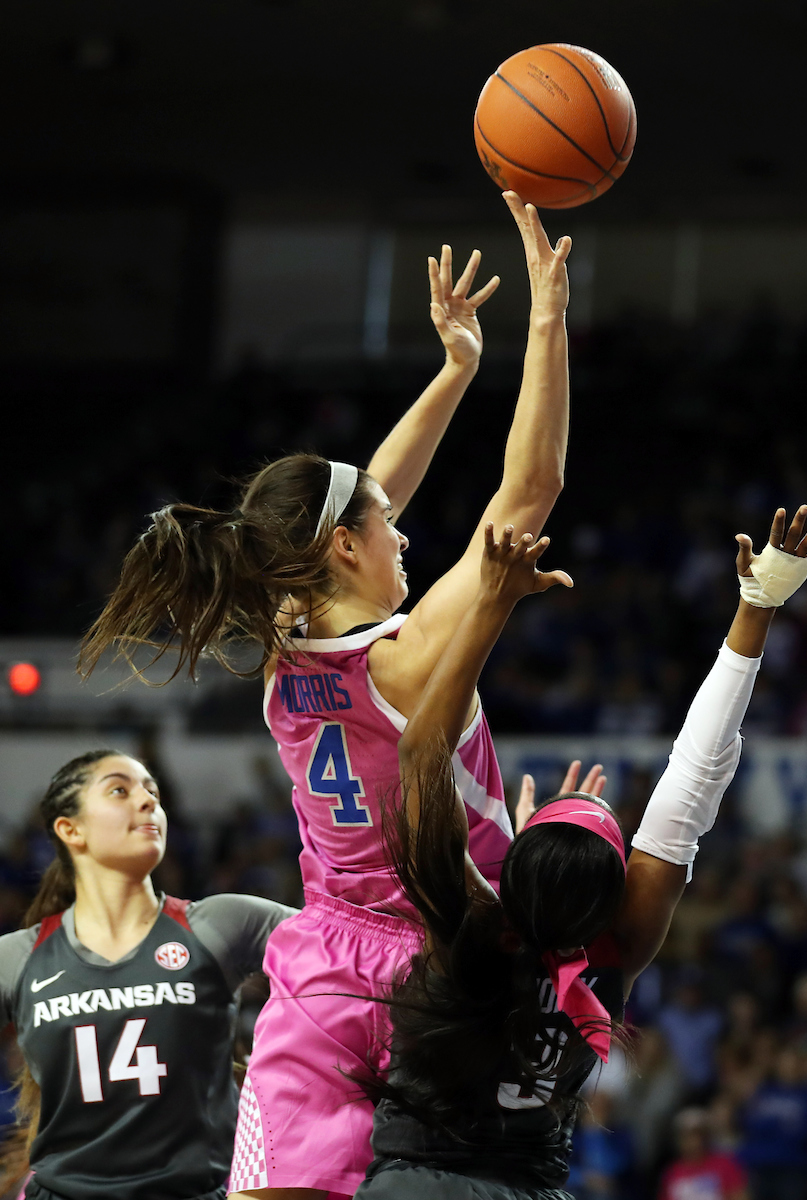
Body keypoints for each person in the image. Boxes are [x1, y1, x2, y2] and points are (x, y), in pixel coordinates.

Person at [78, 195, 573, 1199]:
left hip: (320, 972)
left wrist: (454, 374)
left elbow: (358, 502)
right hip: (441, 971)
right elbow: (526, 495)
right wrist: (547, 321)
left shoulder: (279, 640)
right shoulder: (408, 653)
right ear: (345, 547)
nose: (407, 535)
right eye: (389, 529)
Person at [354, 505, 807, 1200]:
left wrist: (491, 602)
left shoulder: (470, 923)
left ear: (511, 875)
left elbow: (420, 752)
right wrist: (755, 606)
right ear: (613, 894)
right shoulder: (617, 941)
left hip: (419, 1184)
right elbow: (696, 774)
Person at [0, 750, 295, 1200]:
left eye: (153, 794)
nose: (147, 802)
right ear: (70, 829)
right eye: (120, 790)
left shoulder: (223, 922)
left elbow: (353, 951)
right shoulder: (18, 957)